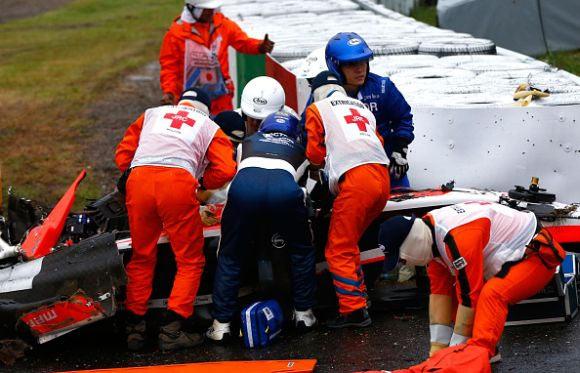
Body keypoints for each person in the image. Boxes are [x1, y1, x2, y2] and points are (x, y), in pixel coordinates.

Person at [115, 88, 236, 351]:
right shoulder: (208, 125)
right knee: (190, 260)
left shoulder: (151, 114)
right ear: (206, 109)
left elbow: (123, 155)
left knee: (141, 256)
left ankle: (135, 326)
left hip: (140, 181)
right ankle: (172, 329)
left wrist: (133, 173)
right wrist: (203, 181)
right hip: (177, 184)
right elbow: (227, 169)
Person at [379, 201, 565, 360]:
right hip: (509, 257)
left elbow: (470, 297)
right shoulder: (431, 235)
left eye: (401, 258)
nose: (404, 263)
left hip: (536, 255)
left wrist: (455, 354)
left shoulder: (456, 237)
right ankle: (478, 351)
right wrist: (436, 351)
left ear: (412, 243)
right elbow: (439, 294)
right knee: (453, 292)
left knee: (491, 294)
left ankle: (479, 354)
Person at [206, 111, 317, 342]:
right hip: (284, 193)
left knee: (230, 255)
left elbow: (234, 174)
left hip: (244, 192)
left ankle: (221, 326)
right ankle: (304, 314)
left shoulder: (245, 144)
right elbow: (310, 190)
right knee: (302, 251)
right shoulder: (300, 150)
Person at [304, 71, 390, 328]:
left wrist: (322, 167)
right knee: (349, 242)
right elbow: (377, 141)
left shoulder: (317, 109)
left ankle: (353, 311)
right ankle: (360, 299)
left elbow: (314, 153)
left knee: (337, 249)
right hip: (382, 179)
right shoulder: (363, 108)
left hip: (356, 181)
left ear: (317, 91)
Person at [325, 32, 414, 189]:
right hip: (347, 170)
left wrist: (400, 150)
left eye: (363, 61)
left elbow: (404, 118)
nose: (360, 69)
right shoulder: (324, 93)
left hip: (389, 167)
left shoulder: (383, 87)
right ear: (336, 66)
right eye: (351, 64)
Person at [159, 0, 275, 115]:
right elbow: (169, 67)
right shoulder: (176, 34)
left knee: (224, 131)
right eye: (206, 9)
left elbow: (243, 42)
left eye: (212, 9)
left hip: (221, 98)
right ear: (192, 8)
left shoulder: (223, 24)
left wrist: (260, 46)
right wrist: (169, 92)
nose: (211, 12)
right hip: (189, 100)